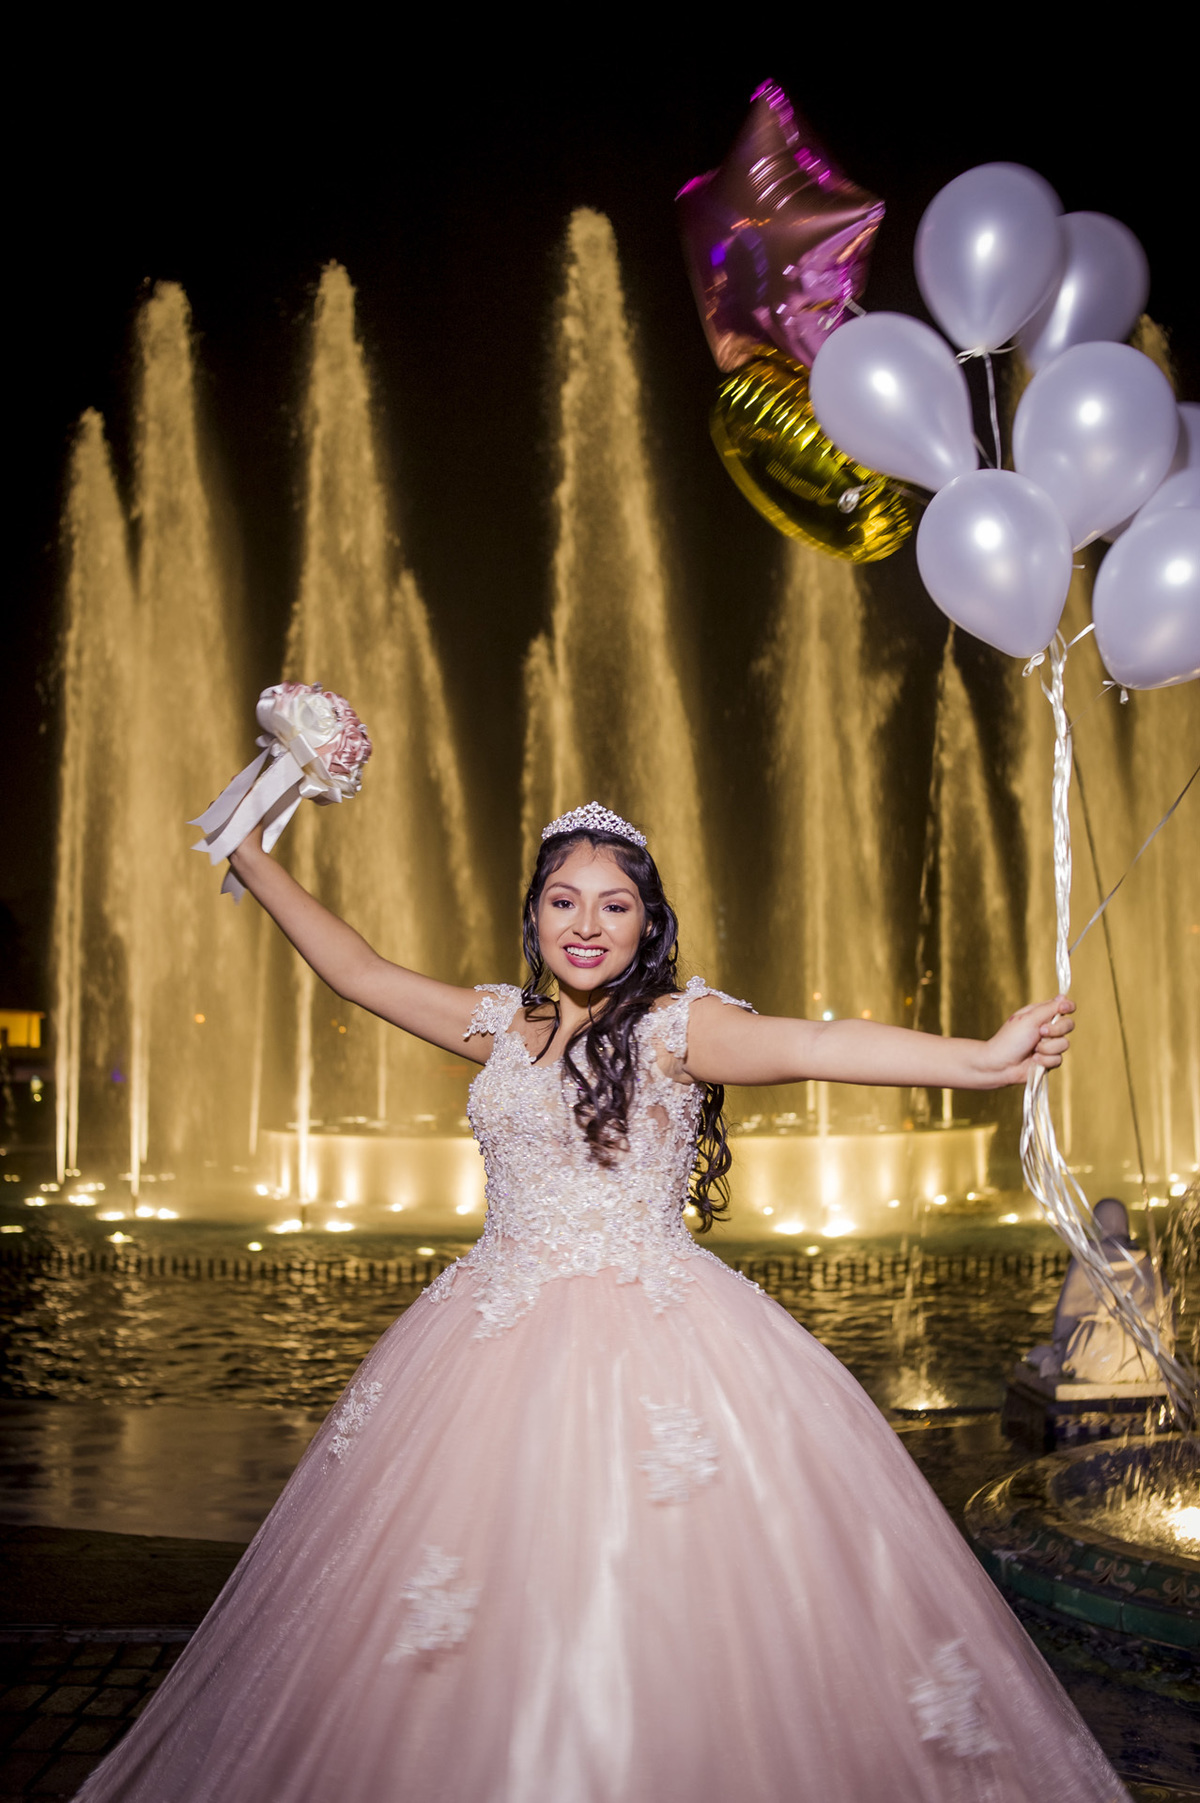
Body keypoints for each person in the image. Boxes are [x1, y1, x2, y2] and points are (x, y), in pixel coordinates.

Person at [77, 802, 1128, 1803]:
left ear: (647, 922)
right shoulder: (498, 1022)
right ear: (533, 914)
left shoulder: (678, 1027)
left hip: (661, 1343)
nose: (587, 924)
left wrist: (981, 1063)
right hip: (487, 1345)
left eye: (614, 903)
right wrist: (251, 851)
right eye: (564, 901)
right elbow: (356, 972)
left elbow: (817, 1043)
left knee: (654, 1605)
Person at [1025, 1197, 1172, 1385]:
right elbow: (1168, 1321)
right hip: (1148, 1360)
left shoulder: (1088, 1257)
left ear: (1097, 1225)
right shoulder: (1148, 1264)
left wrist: (1059, 1346)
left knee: (1039, 1356)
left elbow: (1065, 1317)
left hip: (1100, 1359)